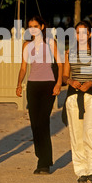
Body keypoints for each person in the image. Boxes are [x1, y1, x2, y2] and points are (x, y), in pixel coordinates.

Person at [62, 21, 92, 183]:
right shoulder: (69, 53)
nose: (80, 36)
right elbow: (64, 75)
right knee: (76, 134)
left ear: (89, 35)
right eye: (77, 33)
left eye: (84, 33)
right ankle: (81, 171)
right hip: (73, 96)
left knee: (89, 130)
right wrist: (70, 81)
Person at [16, 16, 63, 174]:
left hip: (49, 84)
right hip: (33, 85)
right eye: (30, 26)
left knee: (43, 121)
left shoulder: (50, 43)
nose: (33, 29)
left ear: (42, 26)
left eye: (35, 26)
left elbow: (60, 64)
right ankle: (41, 157)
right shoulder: (27, 45)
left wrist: (58, 83)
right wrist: (18, 84)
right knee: (35, 124)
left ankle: (44, 162)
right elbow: (23, 68)